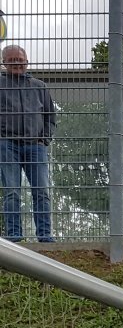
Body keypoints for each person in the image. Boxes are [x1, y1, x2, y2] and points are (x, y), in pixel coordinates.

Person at [1, 45, 55, 242]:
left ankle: (45, 236)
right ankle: (14, 236)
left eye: (20, 59)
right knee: (12, 192)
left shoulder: (39, 86)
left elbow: (50, 116)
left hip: (35, 145)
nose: (17, 63)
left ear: (27, 61)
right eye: (12, 60)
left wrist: (44, 139)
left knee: (41, 191)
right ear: (4, 63)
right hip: (7, 144)